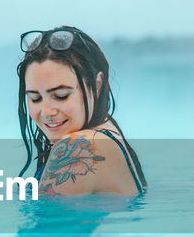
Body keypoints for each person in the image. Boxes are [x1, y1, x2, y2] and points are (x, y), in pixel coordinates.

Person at [16, 26, 147, 196]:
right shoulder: (106, 128)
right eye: (35, 98)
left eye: (61, 95)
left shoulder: (77, 145)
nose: (46, 111)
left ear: (97, 84)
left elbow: (48, 221)